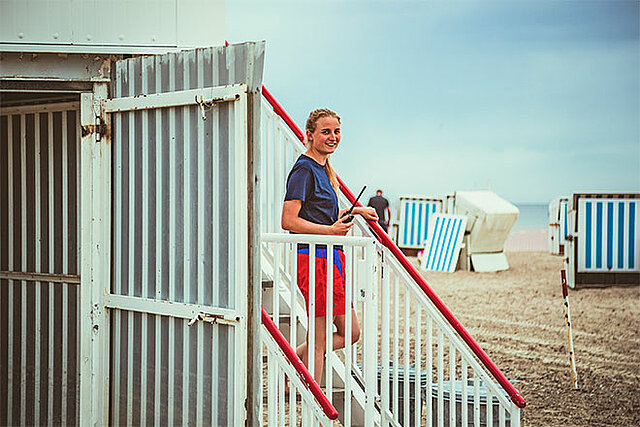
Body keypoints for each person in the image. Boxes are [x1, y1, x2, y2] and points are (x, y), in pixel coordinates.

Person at [281, 108, 378, 384]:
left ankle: (293, 358)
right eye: (326, 132)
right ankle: (316, 410)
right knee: (320, 338)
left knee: (351, 332)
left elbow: (320, 215)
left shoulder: (324, 169)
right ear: (310, 135)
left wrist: (356, 211)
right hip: (314, 261)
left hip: (331, 259)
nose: (333, 137)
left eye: (336, 131)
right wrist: (330, 231)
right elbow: (288, 220)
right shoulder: (304, 169)